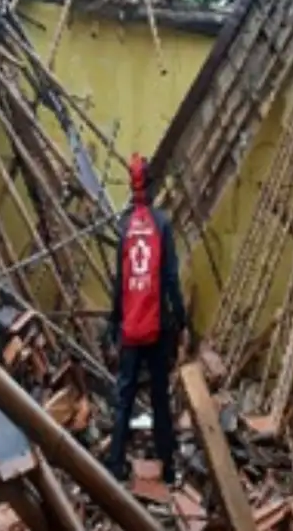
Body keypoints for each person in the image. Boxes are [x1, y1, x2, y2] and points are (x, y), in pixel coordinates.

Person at [105, 153, 188, 485]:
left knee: (124, 397)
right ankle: (167, 467)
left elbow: (119, 280)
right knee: (159, 398)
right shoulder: (162, 223)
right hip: (156, 327)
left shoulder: (125, 226)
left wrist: (114, 322)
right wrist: (181, 319)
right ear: (151, 186)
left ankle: (115, 465)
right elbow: (170, 278)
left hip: (130, 325)